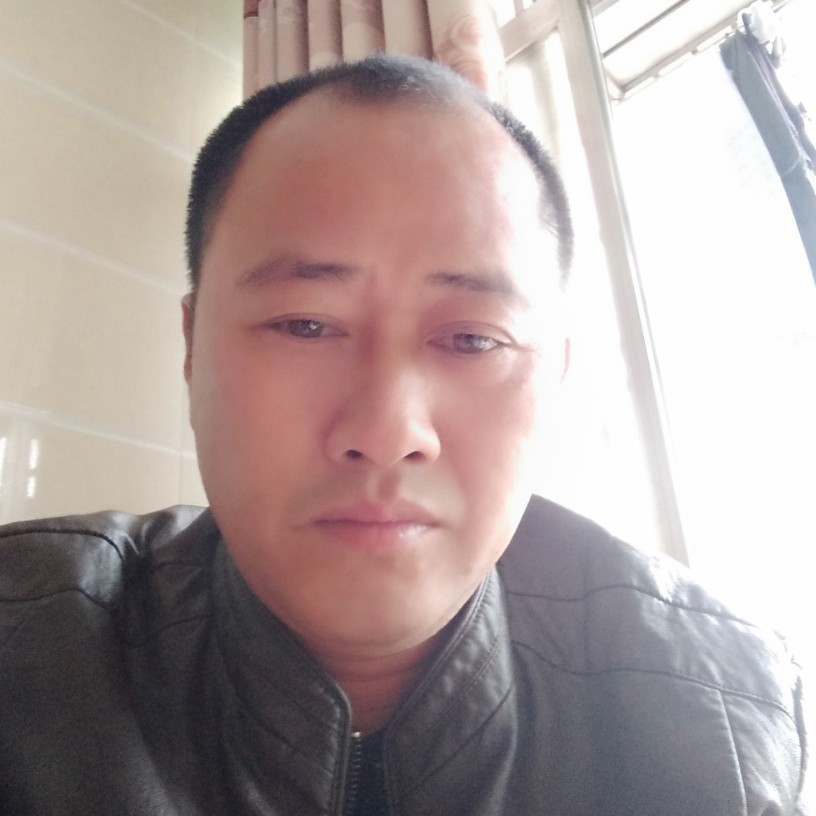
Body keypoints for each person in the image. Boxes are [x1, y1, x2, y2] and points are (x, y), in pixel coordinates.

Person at [0, 55, 808, 815]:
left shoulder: (720, 714)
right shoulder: (27, 648)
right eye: (305, 324)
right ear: (191, 347)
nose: (388, 432)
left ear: (554, 377)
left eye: (474, 339)